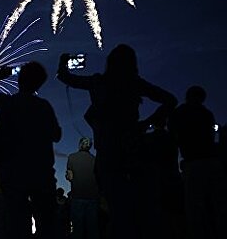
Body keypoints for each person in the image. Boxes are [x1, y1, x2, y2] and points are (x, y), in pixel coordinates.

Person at [57, 45, 177, 239]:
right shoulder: (135, 83)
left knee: (116, 206)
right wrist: (145, 124)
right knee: (136, 205)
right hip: (133, 149)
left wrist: (63, 63)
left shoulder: (98, 82)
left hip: (107, 149)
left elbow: (66, 77)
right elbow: (170, 100)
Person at [0, 61, 62, 239]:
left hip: (13, 172)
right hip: (41, 171)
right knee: (46, 220)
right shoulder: (44, 107)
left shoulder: (10, 103)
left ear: (20, 80)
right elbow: (57, 135)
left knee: (16, 221)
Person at [169, 86, 227, 239]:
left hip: (193, 163)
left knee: (195, 208)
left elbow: (173, 137)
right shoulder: (207, 114)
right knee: (218, 205)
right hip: (212, 162)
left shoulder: (179, 113)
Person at [66, 137, 99, 239]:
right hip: (93, 197)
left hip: (77, 196)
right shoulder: (95, 160)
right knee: (92, 229)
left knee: (77, 229)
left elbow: (70, 177)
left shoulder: (72, 157)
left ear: (80, 144)